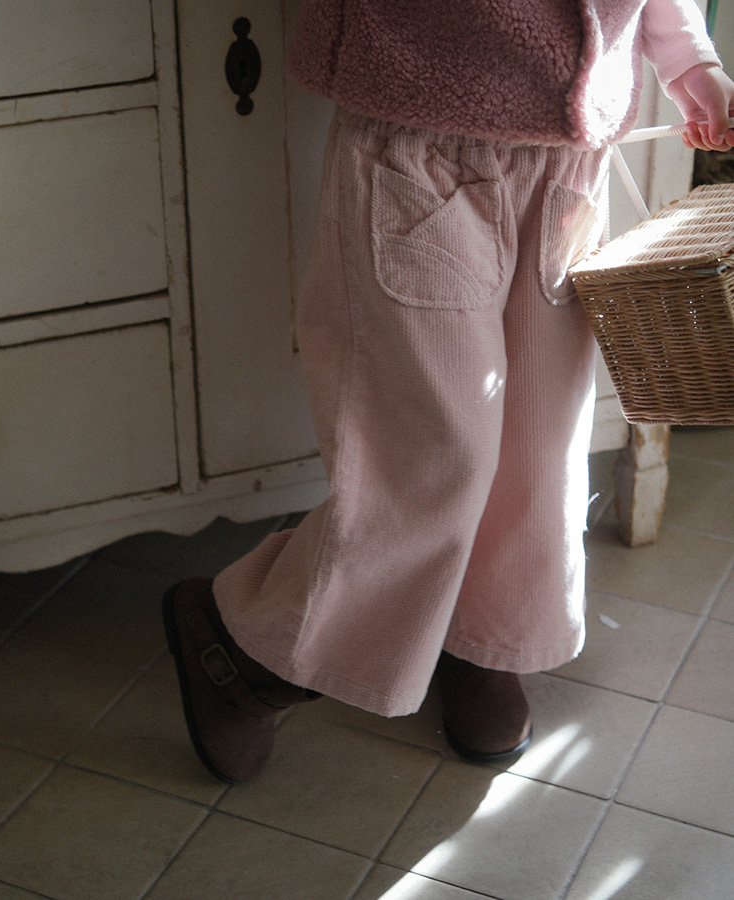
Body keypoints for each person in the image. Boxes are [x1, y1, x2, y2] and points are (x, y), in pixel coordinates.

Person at [163, 0, 734, 783]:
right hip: (419, 131)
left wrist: (687, 55)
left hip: (570, 145)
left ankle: (482, 638)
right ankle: (244, 649)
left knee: (539, 441)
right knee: (436, 448)